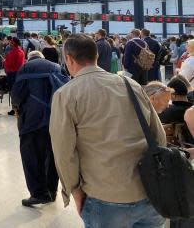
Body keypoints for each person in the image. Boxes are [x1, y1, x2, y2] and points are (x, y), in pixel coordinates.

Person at [50, 34, 166, 228]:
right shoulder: (131, 85)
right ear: (96, 56)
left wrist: (74, 191)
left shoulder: (66, 94)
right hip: (150, 193)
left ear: (69, 59)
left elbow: (64, 152)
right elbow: (158, 135)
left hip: (105, 197)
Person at [12, 50, 69, 207]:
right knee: (52, 157)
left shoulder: (26, 68)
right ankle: (51, 191)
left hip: (32, 120)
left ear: (30, 58)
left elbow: (17, 95)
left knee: (31, 156)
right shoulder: (57, 67)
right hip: (56, 119)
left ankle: (38, 194)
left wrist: (17, 108)